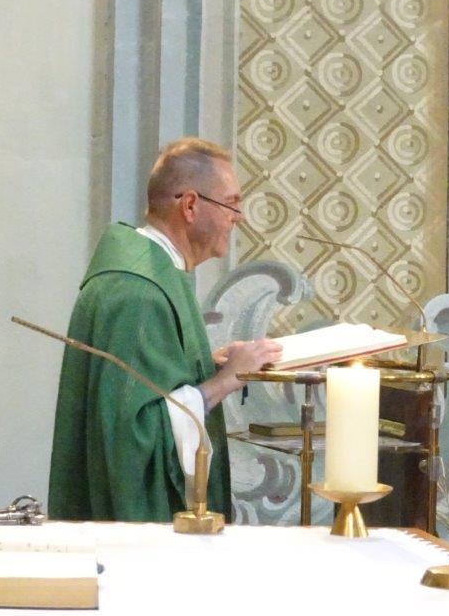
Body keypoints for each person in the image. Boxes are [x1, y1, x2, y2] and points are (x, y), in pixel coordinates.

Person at [49, 137, 281, 522]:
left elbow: (138, 385)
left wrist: (203, 366)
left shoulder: (155, 272)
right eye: (231, 204)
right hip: (132, 537)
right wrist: (226, 380)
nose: (237, 218)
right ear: (190, 205)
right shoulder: (138, 291)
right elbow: (130, 436)